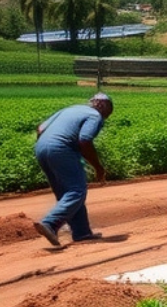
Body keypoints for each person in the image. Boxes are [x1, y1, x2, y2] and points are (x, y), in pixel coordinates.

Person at [32, 92, 112, 246]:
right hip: (62, 148)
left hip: (41, 147)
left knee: (66, 193)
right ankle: (50, 223)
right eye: (107, 115)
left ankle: (82, 233)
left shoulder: (72, 109)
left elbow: (41, 128)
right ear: (106, 110)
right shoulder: (95, 116)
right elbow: (84, 139)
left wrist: (48, 149)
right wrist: (98, 167)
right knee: (77, 191)